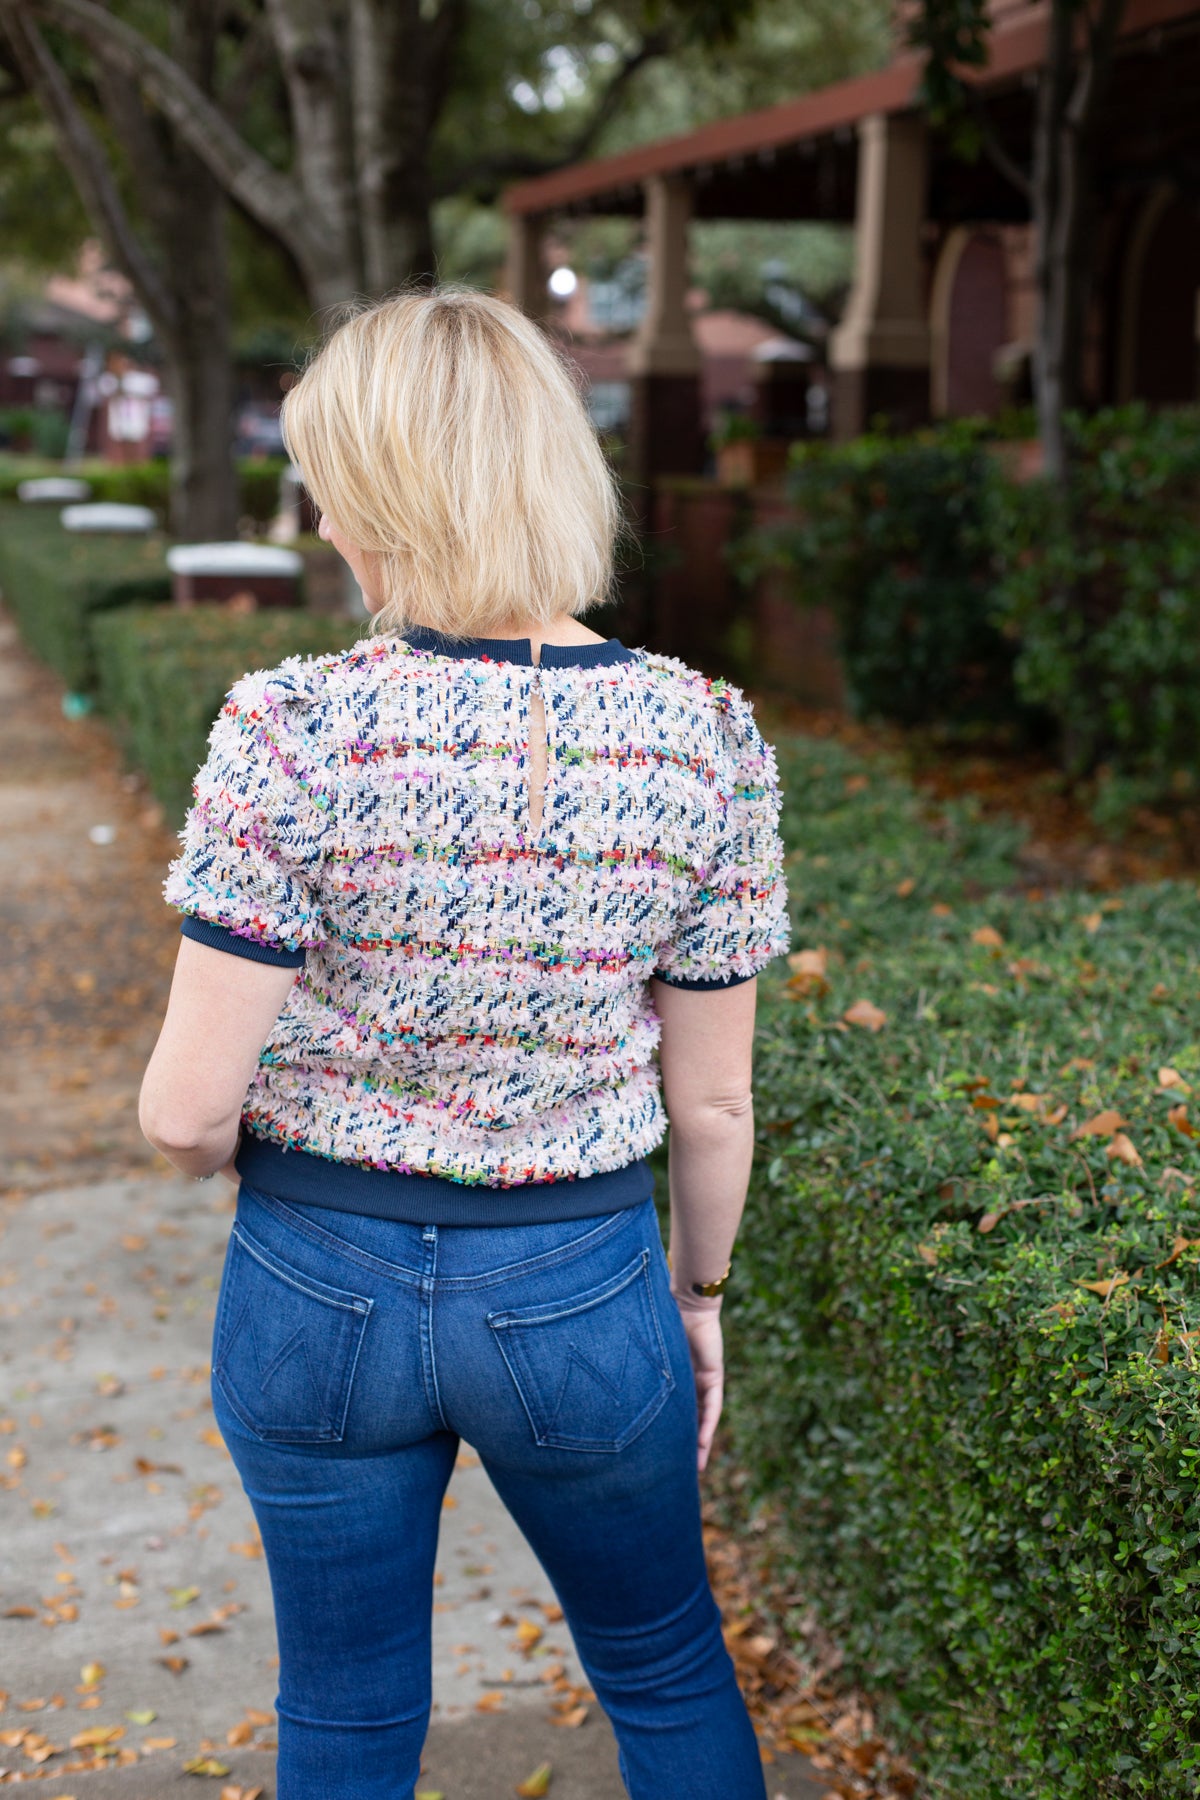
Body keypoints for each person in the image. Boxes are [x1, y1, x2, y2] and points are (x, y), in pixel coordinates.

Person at [138, 288, 790, 1800]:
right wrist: (699, 1299)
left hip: (314, 1286)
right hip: (578, 1289)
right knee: (664, 1661)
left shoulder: (293, 725)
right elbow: (716, 1102)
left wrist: (292, 1136)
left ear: (379, 491)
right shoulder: (705, 736)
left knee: (348, 1708)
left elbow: (183, 1115)